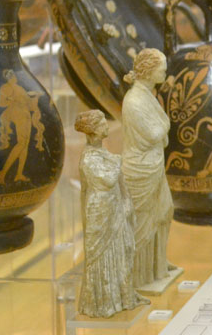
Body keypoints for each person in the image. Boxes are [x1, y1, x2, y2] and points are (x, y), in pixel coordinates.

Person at [75, 109, 149, 318]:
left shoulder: (103, 153)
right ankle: (102, 302)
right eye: (102, 124)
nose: (107, 126)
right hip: (100, 209)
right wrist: (117, 162)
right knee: (102, 254)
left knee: (122, 248)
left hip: (114, 206)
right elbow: (107, 181)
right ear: (94, 130)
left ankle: (123, 296)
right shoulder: (88, 158)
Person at [121, 48, 177, 287]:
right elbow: (155, 132)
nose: (164, 72)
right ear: (148, 70)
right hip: (140, 168)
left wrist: (163, 125)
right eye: (161, 68)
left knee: (165, 211)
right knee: (143, 223)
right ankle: (141, 275)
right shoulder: (134, 101)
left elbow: (161, 128)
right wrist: (164, 124)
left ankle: (159, 264)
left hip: (153, 165)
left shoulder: (147, 96)